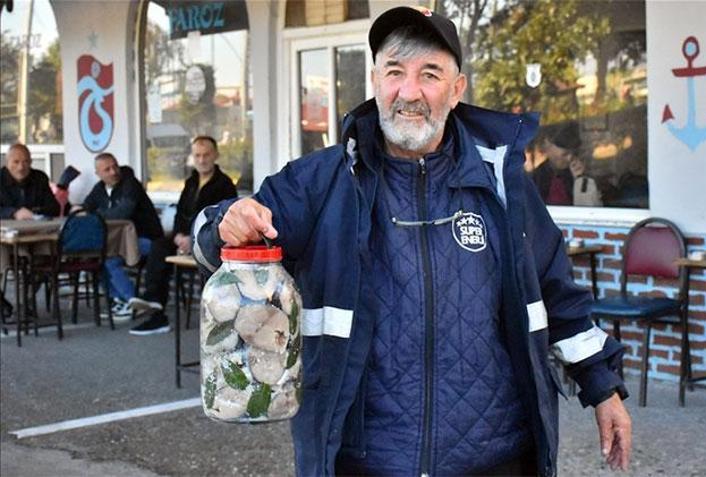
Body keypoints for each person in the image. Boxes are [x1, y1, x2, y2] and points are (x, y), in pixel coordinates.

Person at [194, 6, 631, 475]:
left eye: (430, 74)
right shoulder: (322, 183)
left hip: (497, 456)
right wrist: (226, 221)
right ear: (375, 80)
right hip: (365, 460)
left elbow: (556, 293)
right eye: (395, 72)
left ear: (457, 88)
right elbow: (216, 240)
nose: (409, 92)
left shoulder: (502, 184)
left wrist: (602, 388)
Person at [126, 136, 237, 335]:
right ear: (192, 157)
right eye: (197, 155)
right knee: (159, 245)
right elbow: (181, 212)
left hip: (209, 242)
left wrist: (193, 238)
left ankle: (216, 323)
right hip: (185, 238)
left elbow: (222, 218)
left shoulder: (225, 184)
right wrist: (178, 235)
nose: (202, 160)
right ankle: (154, 304)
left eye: (206, 155)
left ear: (216, 155)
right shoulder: (191, 182)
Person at [81, 153, 164, 320]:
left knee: (110, 258)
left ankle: (130, 300)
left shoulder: (130, 184)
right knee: (96, 260)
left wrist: (97, 214)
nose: (113, 172)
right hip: (119, 241)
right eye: (107, 169)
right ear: (98, 174)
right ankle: (120, 299)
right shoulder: (100, 188)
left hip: (148, 240)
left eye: (115, 166)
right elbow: (85, 207)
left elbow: (123, 212)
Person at [1, 143, 61, 220]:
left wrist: (31, 211)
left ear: (31, 162)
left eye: (25, 162)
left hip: (37, 228)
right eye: (16, 162)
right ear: (7, 163)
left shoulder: (40, 178)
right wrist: (14, 213)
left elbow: (54, 208)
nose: (21, 167)